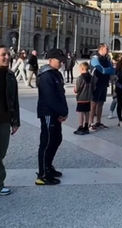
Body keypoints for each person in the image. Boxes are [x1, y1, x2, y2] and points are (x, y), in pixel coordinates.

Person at [36, 49, 69, 186]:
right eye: (59, 60)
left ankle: (48, 166)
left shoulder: (56, 74)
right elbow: (50, 98)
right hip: (48, 112)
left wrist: (64, 111)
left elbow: (61, 94)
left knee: (56, 139)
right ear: (50, 60)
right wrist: (62, 111)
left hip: (56, 113)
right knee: (47, 142)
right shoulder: (46, 76)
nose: (61, 63)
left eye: (62, 60)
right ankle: (43, 174)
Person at [0, 45, 21, 196]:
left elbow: (15, 100)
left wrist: (16, 121)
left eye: (8, 54)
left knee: (1, 152)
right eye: (3, 55)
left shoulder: (10, 75)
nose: (7, 57)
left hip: (5, 119)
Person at [89, 44, 115, 131]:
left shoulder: (107, 59)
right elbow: (102, 70)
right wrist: (109, 70)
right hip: (96, 83)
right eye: (106, 48)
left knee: (101, 103)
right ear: (101, 49)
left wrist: (109, 70)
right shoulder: (95, 58)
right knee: (93, 104)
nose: (108, 50)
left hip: (104, 82)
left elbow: (113, 69)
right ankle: (90, 123)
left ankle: (98, 122)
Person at [73, 62, 93, 135]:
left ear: (82, 69)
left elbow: (77, 89)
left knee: (80, 112)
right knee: (87, 112)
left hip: (81, 98)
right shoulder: (91, 77)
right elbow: (94, 87)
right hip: (89, 98)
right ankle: (86, 126)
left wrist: (75, 89)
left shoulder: (80, 78)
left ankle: (80, 126)